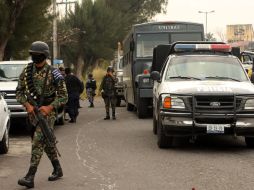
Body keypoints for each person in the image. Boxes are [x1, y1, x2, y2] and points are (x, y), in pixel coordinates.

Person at [16, 41, 68, 188]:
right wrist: (27, 105)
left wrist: (50, 107)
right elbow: (19, 91)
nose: (34, 57)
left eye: (37, 55)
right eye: (32, 55)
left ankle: (30, 176)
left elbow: (64, 96)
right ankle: (58, 169)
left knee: (38, 141)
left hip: (47, 114)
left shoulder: (54, 72)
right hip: (33, 113)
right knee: (46, 143)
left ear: (45, 56)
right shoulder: (27, 71)